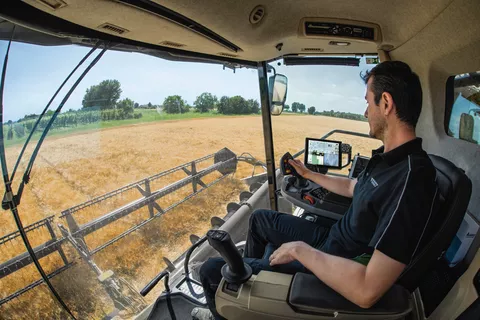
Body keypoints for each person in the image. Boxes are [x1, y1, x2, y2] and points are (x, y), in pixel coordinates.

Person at [191, 61, 438, 320]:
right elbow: (354, 187)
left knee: (211, 270)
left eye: (368, 102)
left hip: (336, 263)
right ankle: (250, 297)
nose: (365, 112)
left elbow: (367, 289)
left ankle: (241, 293)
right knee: (260, 219)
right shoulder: (389, 159)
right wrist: (309, 174)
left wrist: (300, 250)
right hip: (332, 237)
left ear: (386, 104)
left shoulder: (412, 178)